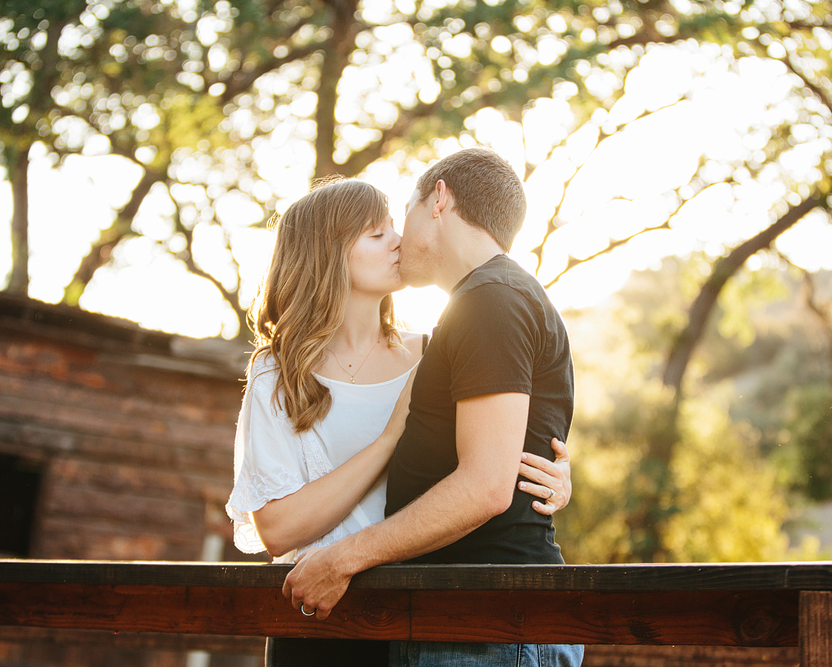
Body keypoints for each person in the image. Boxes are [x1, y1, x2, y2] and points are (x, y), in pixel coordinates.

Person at [224, 177, 573, 667]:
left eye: (394, 226)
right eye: (376, 233)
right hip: (317, 619)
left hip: (414, 617)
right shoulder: (276, 373)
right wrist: (389, 440)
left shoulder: (432, 353)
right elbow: (279, 530)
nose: (398, 240)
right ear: (328, 255)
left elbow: (486, 467)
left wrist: (549, 475)